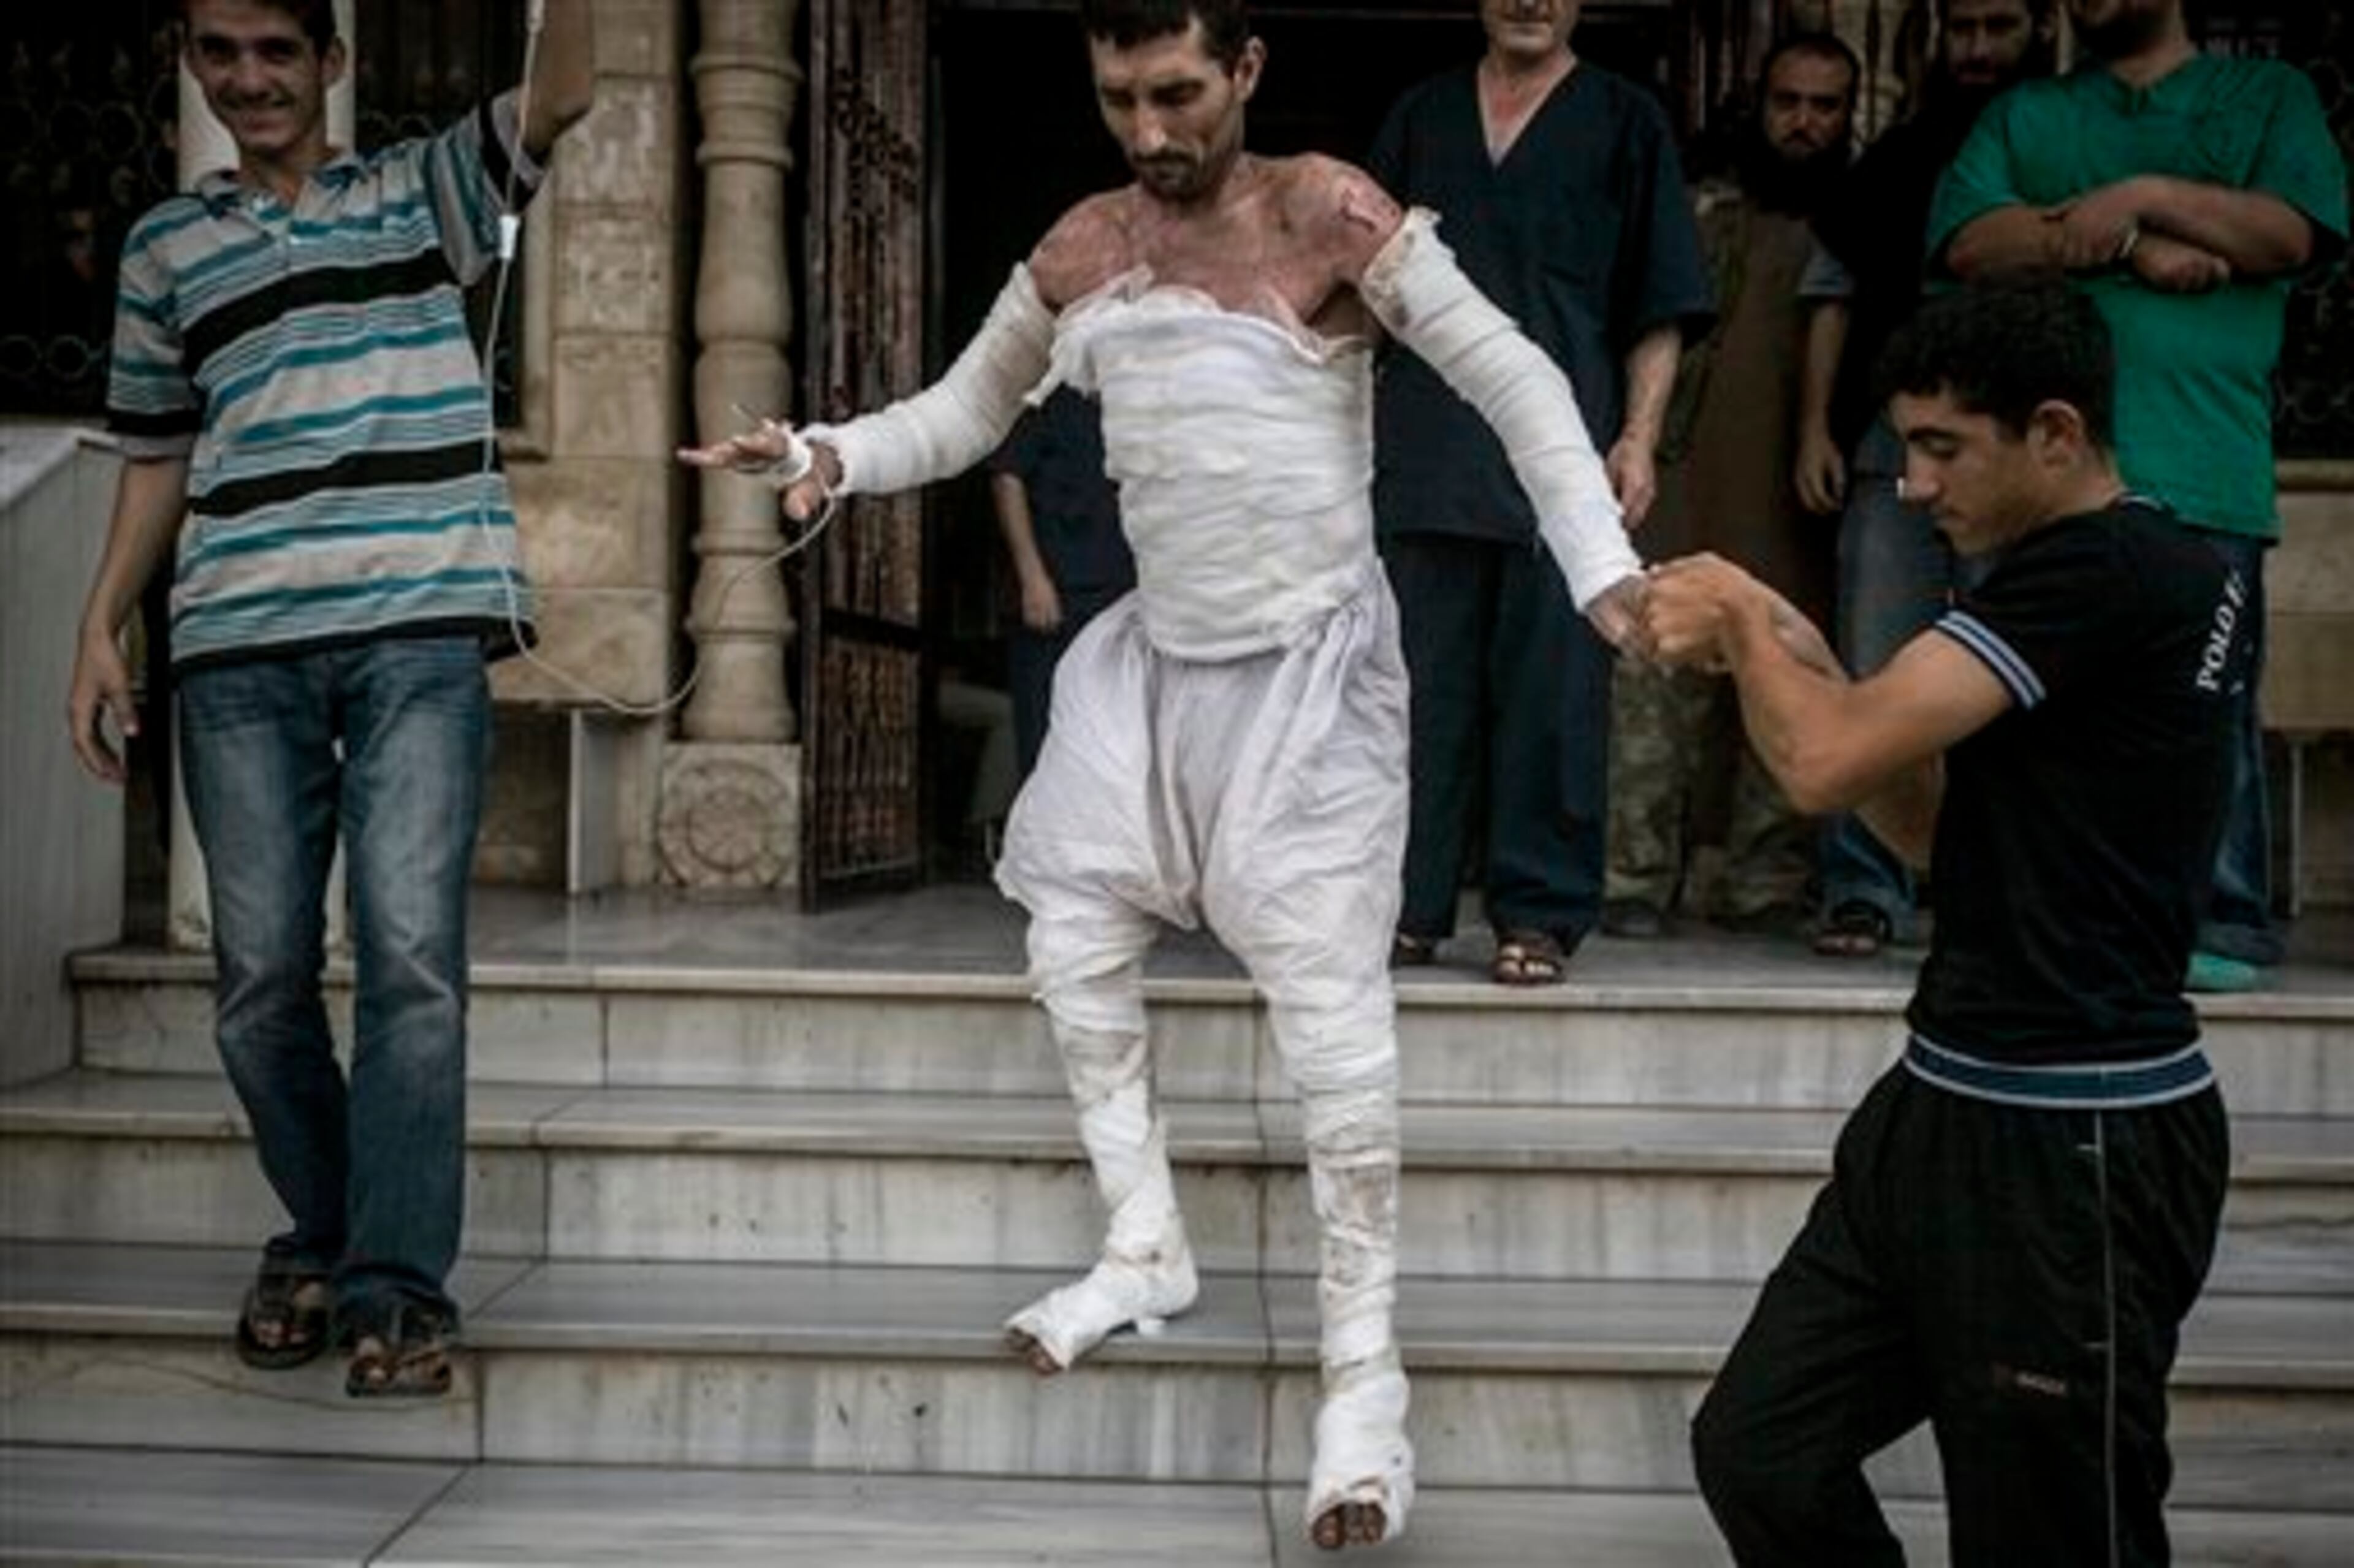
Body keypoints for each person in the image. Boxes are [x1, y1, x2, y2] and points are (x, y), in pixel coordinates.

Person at [680, 0, 1643, 1545]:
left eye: (1179, 92)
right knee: (1069, 941)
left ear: (1244, 73)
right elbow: (965, 411)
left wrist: (1599, 570)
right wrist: (834, 453)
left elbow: (1520, 380)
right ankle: (1143, 1243)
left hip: (1313, 680)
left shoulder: (1328, 210)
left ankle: (1361, 1381)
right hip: (1153, 671)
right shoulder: (1077, 249)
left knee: (1335, 1049)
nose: (1150, 130)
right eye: (1121, 97)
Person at [1661, 280, 2249, 1567]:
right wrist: (1796, 653)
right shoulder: (2088, 576)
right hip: (1941, 1109)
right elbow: (1934, 831)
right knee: (1762, 1448)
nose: (1915, 486)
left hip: (2073, 1140)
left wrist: (1748, 626)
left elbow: (1818, 770)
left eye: (1942, 447)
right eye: (1906, 446)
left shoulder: (2107, 570)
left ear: (2054, 432)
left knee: (2046, 1535)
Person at [66, 0, 594, 1396]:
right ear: (191, 63)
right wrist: (99, 623)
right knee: (256, 982)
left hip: (418, 627)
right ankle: (324, 1229)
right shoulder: (165, 247)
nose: (249, 80)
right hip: (237, 641)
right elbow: (154, 450)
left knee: (410, 962)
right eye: (220, 54)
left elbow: (558, 92)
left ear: (331, 63)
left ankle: (394, 1284)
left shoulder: (423, 187)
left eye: (277, 52)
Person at [1929, 0, 2348, 991]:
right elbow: (1973, 243)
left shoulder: (2270, 96)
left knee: (2206, 710)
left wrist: (2145, 193)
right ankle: (2028, 916)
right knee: (2019, 708)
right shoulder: (2029, 114)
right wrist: (2129, 243)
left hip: (2205, 463)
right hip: (2036, 479)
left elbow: (2286, 232)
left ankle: (2221, 922)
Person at [1369, 0, 1711, 984]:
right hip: (1428, 453)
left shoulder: (1625, 120)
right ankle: (1400, 905)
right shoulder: (1421, 119)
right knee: (1407, 695)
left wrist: (1639, 438)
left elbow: (1660, 302)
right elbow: (1359, 294)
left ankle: (1539, 912)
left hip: (1565, 465)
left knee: (1555, 697)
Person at [1796, 0, 2057, 958]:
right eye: (1965, 30)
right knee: (1877, 659)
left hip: (2022, 464)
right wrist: (1814, 429)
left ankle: (2001, 893)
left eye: (2000, 28)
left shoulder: (2058, 145)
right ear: (1932, 40)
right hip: (1891, 455)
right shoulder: (1898, 157)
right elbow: (1832, 296)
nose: (1980, 50)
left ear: (2038, 31)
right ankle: (1864, 888)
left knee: (2015, 679)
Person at [1601, 33, 1857, 940]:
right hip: (1679, 477)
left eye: (1826, 107)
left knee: (1784, 673)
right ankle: (1634, 878)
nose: (1804, 122)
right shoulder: (1695, 206)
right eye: (1789, 101)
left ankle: (1766, 882)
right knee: (1650, 679)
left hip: (1798, 500)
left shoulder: (1857, 221)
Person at [986, 385, 1134, 777]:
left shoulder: (1144, 406)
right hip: (1056, 602)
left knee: (1110, 749)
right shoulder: (1054, 396)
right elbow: (1007, 477)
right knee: (1045, 745)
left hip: (1122, 605)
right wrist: (1032, 577)